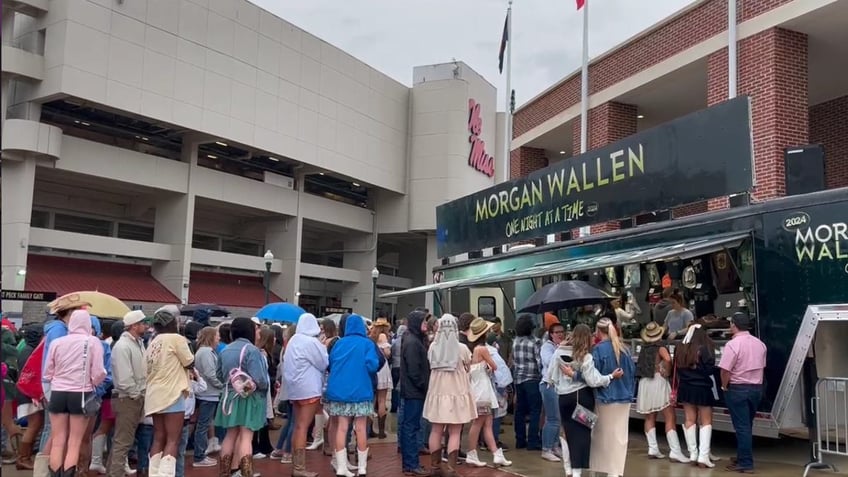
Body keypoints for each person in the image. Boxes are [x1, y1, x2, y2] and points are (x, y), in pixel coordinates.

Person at [43, 309, 107, 477]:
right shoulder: (92, 342)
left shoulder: (58, 342)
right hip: (81, 394)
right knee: (74, 442)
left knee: (58, 441)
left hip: (57, 393)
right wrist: (93, 381)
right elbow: (100, 372)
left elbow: (47, 372)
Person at [552, 324, 620, 477]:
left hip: (563, 398)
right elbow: (593, 380)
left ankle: (568, 468)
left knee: (567, 432)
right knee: (582, 435)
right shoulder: (586, 357)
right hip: (582, 397)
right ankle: (577, 472)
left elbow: (551, 375)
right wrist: (610, 377)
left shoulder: (558, 352)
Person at [324, 314, 381, 477]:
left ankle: (341, 466)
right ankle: (362, 467)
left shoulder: (339, 343)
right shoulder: (367, 344)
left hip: (339, 392)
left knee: (341, 428)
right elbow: (373, 365)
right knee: (361, 428)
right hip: (361, 391)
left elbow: (331, 363)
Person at [420, 314, 475, 477]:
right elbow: (468, 366)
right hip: (457, 392)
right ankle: (451, 470)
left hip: (437, 392)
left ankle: (435, 467)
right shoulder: (462, 348)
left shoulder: (433, 347)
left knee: (436, 430)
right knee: (455, 432)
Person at [215, 317, 270, 477]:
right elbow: (260, 379)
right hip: (249, 398)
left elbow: (219, 374)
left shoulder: (224, 349)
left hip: (228, 398)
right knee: (246, 436)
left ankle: (224, 472)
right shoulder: (252, 350)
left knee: (230, 435)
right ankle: (246, 472)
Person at [144, 305, 195, 477]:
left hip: (153, 394)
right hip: (172, 393)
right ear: (173, 323)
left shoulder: (153, 341)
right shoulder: (176, 338)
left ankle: (154, 473)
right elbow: (189, 362)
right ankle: (165, 474)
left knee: (159, 436)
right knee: (173, 439)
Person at [719, 313, 767, 474]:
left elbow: (725, 370)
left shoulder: (732, 345)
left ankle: (745, 463)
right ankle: (742, 456)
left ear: (734, 325)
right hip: (756, 388)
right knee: (747, 424)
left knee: (742, 427)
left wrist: (724, 386)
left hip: (738, 388)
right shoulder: (760, 344)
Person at [282, 314, 328, 477]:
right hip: (309, 388)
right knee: (303, 426)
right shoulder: (311, 342)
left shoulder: (294, 340)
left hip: (295, 388)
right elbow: (323, 363)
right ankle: (299, 469)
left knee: (297, 426)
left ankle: (296, 466)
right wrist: (323, 347)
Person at [635, 322, 689, 463]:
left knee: (649, 417)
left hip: (645, 383)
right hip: (658, 381)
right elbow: (668, 359)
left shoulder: (644, 348)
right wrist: (667, 370)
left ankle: (653, 448)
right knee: (669, 416)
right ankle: (675, 451)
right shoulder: (660, 347)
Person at [589, 316, 636, 477]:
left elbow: (592, 376)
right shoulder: (625, 349)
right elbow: (632, 374)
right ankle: (615, 472)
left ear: (598, 331)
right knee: (620, 438)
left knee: (601, 436)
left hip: (604, 399)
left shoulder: (598, 349)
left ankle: (599, 469)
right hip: (624, 398)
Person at [463, 317, 511, 469]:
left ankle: (496, 453)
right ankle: (472, 453)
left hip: (479, 390)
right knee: (479, 423)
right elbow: (494, 366)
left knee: (487, 423)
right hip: (483, 392)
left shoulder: (473, 350)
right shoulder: (482, 349)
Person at [109, 310, 148, 477]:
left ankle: (113, 472)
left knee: (123, 441)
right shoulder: (124, 346)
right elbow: (124, 379)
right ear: (134, 326)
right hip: (128, 399)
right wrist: (136, 394)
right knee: (123, 442)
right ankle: (115, 473)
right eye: (143, 323)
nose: (146, 326)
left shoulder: (136, 343)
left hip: (131, 397)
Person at [676, 323, 719, 467]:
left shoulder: (680, 347)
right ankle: (703, 456)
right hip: (702, 388)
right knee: (705, 421)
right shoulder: (704, 348)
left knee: (689, 419)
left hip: (685, 387)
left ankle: (693, 454)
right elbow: (710, 369)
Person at [399, 310, 430, 476]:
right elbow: (414, 370)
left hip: (413, 390)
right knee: (411, 427)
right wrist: (423, 385)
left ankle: (410, 463)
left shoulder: (413, 340)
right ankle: (411, 463)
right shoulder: (413, 342)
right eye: (424, 322)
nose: (426, 325)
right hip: (414, 392)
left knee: (410, 426)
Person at [193, 327, 223, 467]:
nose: (219, 338)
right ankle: (199, 456)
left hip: (207, 393)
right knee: (203, 425)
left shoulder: (203, 351)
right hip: (209, 394)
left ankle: (200, 454)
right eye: (217, 336)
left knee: (203, 424)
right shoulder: (206, 353)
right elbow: (211, 374)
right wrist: (221, 385)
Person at [511, 314, 543, 450]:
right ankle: (533, 441)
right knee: (535, 410)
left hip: (518, 379)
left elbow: (513, 360)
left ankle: (520, 440)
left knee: (520, 410)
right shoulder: (535, 342)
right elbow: (539, 362)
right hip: (532, 378)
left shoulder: (515, 342)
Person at [15, 323, 44, 470]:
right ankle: (23, 458)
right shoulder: (30, 352)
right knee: (34, 425)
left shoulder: (26, 349)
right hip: (29, 394)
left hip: (25, 392)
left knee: (35, 425)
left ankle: (25, 456)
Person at [539, 313, 564, 462]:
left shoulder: (559, 346)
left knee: (558, 419)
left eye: (562, 332)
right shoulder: (546, 347)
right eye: (557, 332)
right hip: (549, 385)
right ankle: (546, 449)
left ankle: (555, 446)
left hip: (560, 386)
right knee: (553, 419)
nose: (560, 334)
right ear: (551, 334)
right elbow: (550, 362)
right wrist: (560, 350)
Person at [370, 317, 393, 439]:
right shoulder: (383, 337)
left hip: (373, 367)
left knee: (372, 400)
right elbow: (388, 353)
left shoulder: (371, 337)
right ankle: (381, 431)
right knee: (382, 400)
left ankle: (369, 429)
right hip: (382, 367)